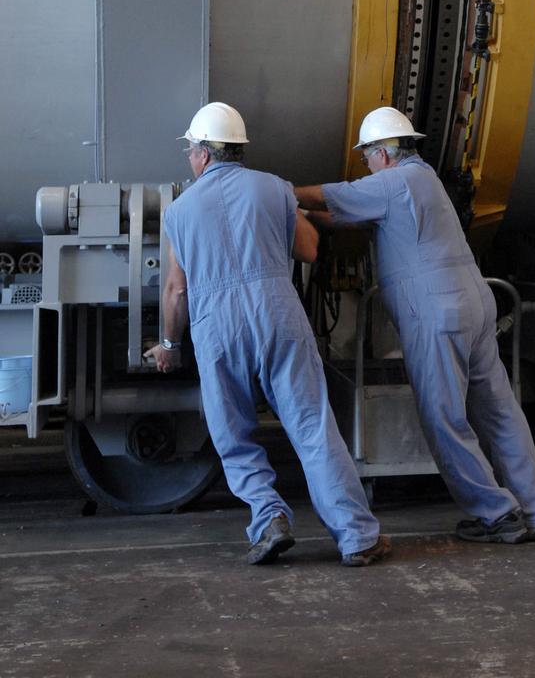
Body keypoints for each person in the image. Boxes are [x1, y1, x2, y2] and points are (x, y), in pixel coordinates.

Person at [145, 101, 391, 569]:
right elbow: (310, 250)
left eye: (190, 152)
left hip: (216, 325)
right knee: (313, 429)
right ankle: (357, 536)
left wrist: (171, 347)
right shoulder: (274, 189)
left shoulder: (179, 212)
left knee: (233, 434)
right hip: (276, 312)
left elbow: (176, 288)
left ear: (201, 154)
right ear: (238, 150)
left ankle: (269, 517)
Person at [296, 106, 535, 545]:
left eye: (367, 157)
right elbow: (344, 213)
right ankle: (533, 511)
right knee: (499, 412)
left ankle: (496, 513)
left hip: (438, 313)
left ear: (383, 153)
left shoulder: (393, 182)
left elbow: (335, 196)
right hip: (475, 303)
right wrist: (302, 214)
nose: (366, 166)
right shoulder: (421, 178)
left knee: (443, 417)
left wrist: (278, 194)